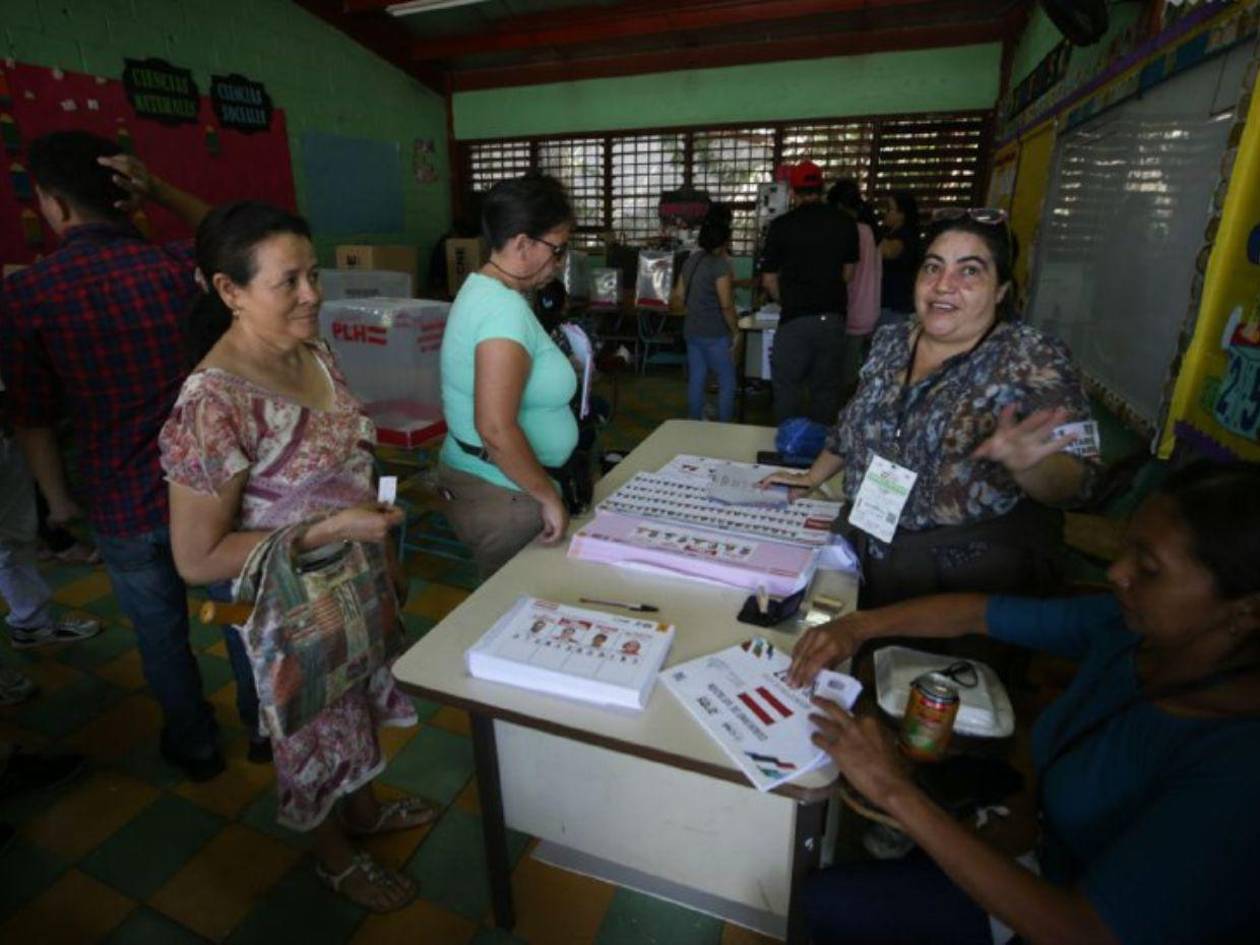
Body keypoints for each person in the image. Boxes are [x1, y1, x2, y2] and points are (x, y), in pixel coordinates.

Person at [793, 460, 1260, 945]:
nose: (1117, 572)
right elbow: (977, 614)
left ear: (1246, 610)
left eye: (1149, 567)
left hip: (1053, 915)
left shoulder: (1238, 770)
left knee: (825, 903)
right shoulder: (1127, 633)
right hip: (1031, 847)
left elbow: (1085, 931)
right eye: (1126, 550)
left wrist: (894, 790)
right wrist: (857, 626)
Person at [159, 201, 432, 913]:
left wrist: (377, 544)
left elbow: (350, 456)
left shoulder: (315, 351)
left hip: (360, 574)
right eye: (291, 281)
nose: (314, 294)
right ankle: (334, 856)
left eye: (314, 274)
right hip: (288, 607)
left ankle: (366, 811)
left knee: (360, 700)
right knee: (310, 726)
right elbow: (197, 557)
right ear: (229, 291)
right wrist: (326, 530)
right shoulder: (212, 403)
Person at [0, 131, 253, 781]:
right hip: (214, 494)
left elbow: (31, 418)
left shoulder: (30, 293)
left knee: (160, 633)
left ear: (53, 204)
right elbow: (238, 235)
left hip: (120, 504)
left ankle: (195, 745)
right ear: (127, 193)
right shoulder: (177, 269)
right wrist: (162, 188)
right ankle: (265, 730)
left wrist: (60, 503)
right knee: (237, 619)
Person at [763, 211, 1097, 607]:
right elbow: (853, 422)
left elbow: (1080, 482)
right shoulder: (892, 339)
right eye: (933, 267)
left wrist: (1028, 465)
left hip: (962, 577)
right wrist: (812, 476)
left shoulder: (1033, 358)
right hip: (868, 542)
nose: (943, 285)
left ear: (1002, 289)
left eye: (969, 271)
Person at [436, 174, 578, 580]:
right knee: (517, 613)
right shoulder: (503, 312)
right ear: (522, 244)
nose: (560, 262)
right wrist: (547, 495)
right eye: (557, 249)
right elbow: (495, 427)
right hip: (503, 495)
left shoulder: (482, 289)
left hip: (491, 482)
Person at [759, 160, 860, 424]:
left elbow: (769, 280)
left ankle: (788, 447)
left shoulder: (781, 226)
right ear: (822, 188)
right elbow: (848, 274)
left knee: (787, 388)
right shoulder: (845, 223)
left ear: (792, 192)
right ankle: (819, 454)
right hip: (833, 319)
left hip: (795, 319)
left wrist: (788, 299)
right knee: (825, 390)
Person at [671, 219, 739, 422]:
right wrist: (735, 331)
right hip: (715, 333)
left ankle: (694, 422)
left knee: (697, 379)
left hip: (692, 330)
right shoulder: (720, 265)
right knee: (727, 381)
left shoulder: (691, 261)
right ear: (725, 241)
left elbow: (678, 296)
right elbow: (726, 305)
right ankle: (724, 426)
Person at [827, 179, 882, 398]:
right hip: (870, 309)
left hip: (853, 312)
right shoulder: (870, 231)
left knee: (846, 378)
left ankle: (845, 421)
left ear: (840, 206)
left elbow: (846, 276)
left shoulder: (852, 231)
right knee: (861, 373)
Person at [877, 190, 921, 329]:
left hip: (897, 306)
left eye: (890, 209)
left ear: (902, 214)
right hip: (887, 302)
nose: (886, 213)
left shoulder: (906, 235)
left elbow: (888, 252)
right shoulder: (890, 232)